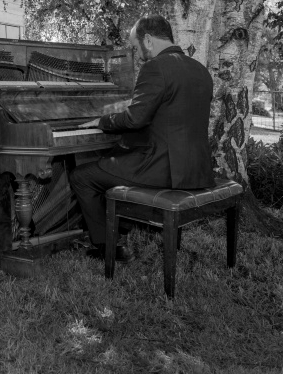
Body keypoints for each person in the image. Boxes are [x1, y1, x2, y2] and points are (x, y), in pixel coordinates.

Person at [70, 14, 215, 262]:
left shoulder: (155, 67)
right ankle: (119, 227)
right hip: (196, 169)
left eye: (135, 47)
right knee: (112, 158)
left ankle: (109, 246)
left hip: (163, 169)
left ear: (148, 40)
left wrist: (101, 122)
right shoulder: (200, 69)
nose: (136, 55)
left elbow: (135, 119)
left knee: (82, 176)